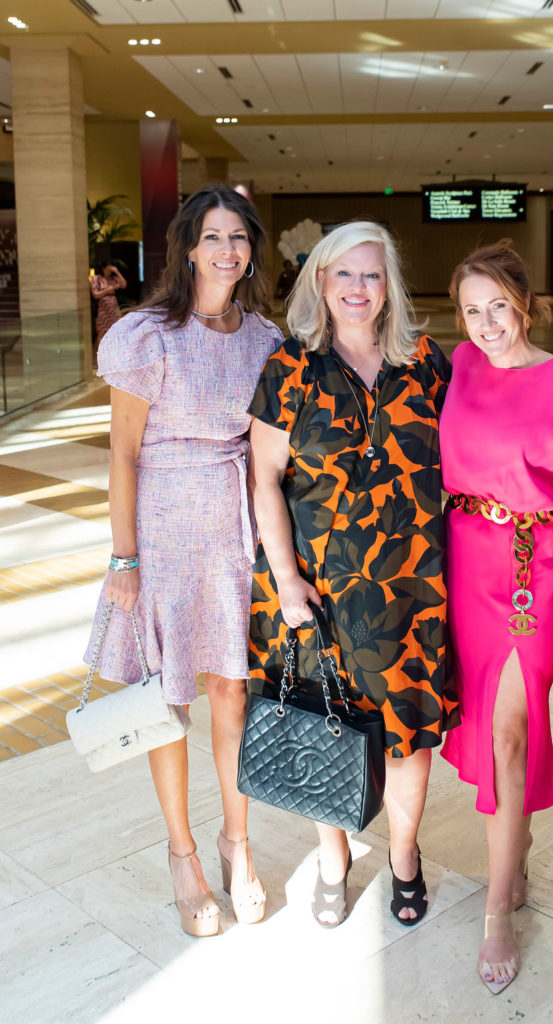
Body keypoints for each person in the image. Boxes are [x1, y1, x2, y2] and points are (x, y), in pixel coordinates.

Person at [248, 220, 459, 929]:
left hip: (412, 592)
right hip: (315, 592)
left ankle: (403, 857)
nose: (358, 289)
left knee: (408, 735)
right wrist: (285, 580)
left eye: (372, 274)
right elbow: (265, 482)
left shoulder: (429, 363)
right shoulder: (289, 367)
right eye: (344, 274)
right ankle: (334, 857)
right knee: (323, 723)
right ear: (320, 282)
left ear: (390, 284)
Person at [85, 184, 283, 936]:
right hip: (164, 531)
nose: (227, 250)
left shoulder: (263, 338)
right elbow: (123, 454)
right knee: (168, 702)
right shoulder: (148, 334)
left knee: (232, 694)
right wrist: (125, 559)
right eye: (213, 237)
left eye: (239, 237)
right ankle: (183, 854)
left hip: (233, 530)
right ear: (189, 248)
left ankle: (238, 843)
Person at [440, 240, 553, 993]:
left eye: (498, 308)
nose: (486, 325)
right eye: (471, 311)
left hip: (530, 572)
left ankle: (497, 913)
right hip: (460, 563)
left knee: (510, 731)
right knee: (485, 725)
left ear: (526, 304)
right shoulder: (457, 368)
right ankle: (518, 842)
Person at [90, 262, 127, 343]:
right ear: (103, 268)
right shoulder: (97, 278)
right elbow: (95, 294)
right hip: (102, 311)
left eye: (111, 269)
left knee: (116, 331)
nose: (110, 271)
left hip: (113, 310)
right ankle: (101, 353)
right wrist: (107, 291)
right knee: (102, 334)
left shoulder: (114, 279)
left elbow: (124, 285)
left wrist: (117, 271)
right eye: (108, 269)